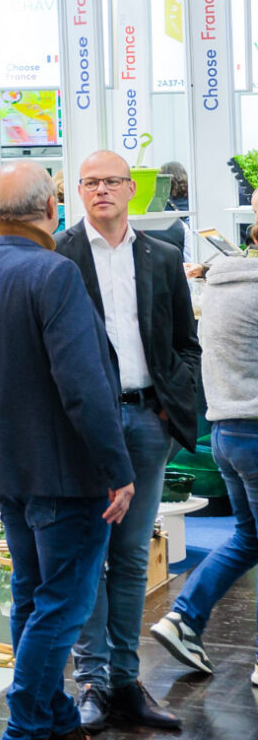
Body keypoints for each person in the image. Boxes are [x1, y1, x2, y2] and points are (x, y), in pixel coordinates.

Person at [0, 162, 135, 740]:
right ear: (52, 207)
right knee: (63, 606)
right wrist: (116, 467)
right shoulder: (55, 274)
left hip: (5, 470)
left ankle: (57, 719)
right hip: (67, 476)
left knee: (33, 595)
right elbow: (84, 386)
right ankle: (25, 726)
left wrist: (3, 430)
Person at [56, 151, 197, 732]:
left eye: (112, 181)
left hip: (145, 419)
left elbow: (186, 342)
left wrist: (169, 406)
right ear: (78, 192)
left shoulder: (162, 256)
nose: (101, 191)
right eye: (90, 183)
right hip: (85, 427)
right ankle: (91, 680)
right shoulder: (58, 255)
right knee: (91, 553)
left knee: (134, 555)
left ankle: (125, 679)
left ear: (131, 188)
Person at [153, 252, 258, 685]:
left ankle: (183, 618)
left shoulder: (221, 285)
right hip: (255, 430)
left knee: (249, 538)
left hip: (225, 433)